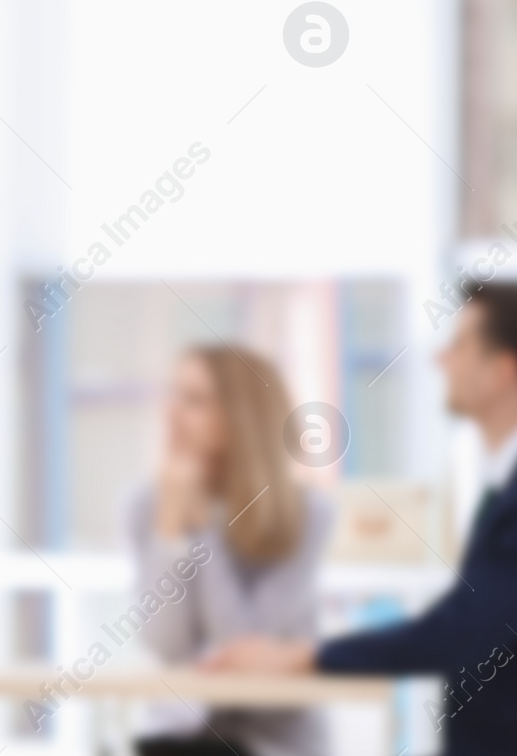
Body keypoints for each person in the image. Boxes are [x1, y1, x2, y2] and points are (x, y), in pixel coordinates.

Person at [205, 285, 517, 756]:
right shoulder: (496, 482)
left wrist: (303, 658)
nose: (440, 360)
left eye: (459, 347)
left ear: (501, 372)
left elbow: (468, 629)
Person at [128, 346, 333, 756]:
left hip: (273, 742)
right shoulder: (147, 504)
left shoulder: (307, 513)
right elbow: (167, 647)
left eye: (195, 400)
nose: (173, 413)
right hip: (183, 741)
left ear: (241, 416)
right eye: (174, 395)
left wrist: (204, 526)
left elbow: (240, 643)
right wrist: (170, 526)